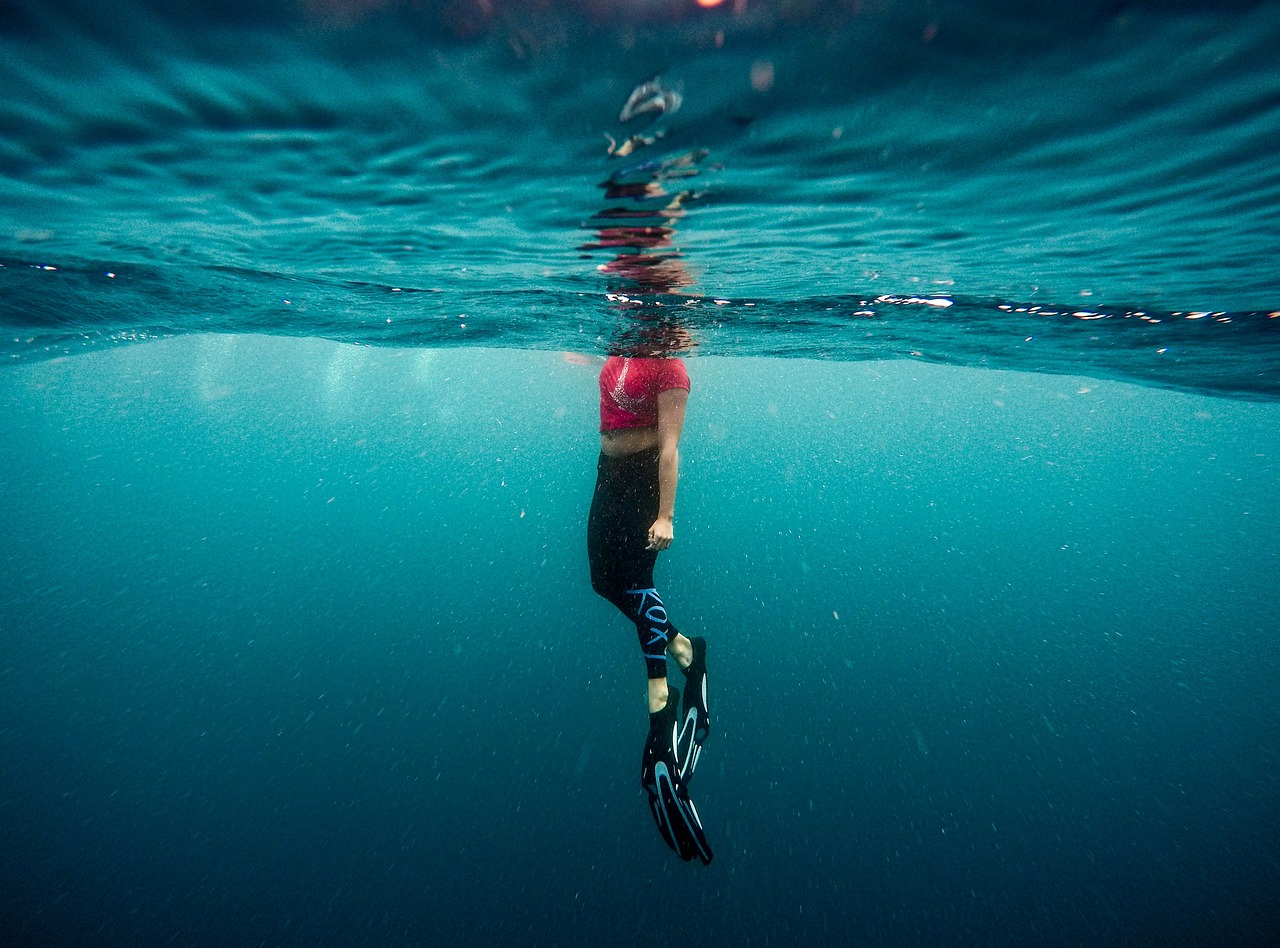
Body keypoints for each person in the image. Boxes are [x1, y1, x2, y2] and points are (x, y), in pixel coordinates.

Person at [587, 350, 713, 864]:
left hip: (641, 480)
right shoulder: (625, 339)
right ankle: (687, 649)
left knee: (637, 582)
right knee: (603, 580)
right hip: (608, 470)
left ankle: (659, 717)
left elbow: (669, 447)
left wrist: (666, 515)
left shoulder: (672, 368)